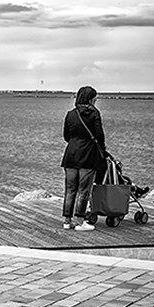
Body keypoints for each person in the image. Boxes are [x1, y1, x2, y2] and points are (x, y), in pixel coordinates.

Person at [61, 85, 108, 231]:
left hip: (71, 154)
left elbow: (66, 136)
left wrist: (76, 141)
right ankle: (80, 221)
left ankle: (67, 221)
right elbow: (99, 135)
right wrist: (102, 148)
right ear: (91, 99)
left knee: (70, 190)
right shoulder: (94, 113)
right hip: (88, 155)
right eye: (95, 98)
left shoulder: (71, 114)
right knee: (83, 190)